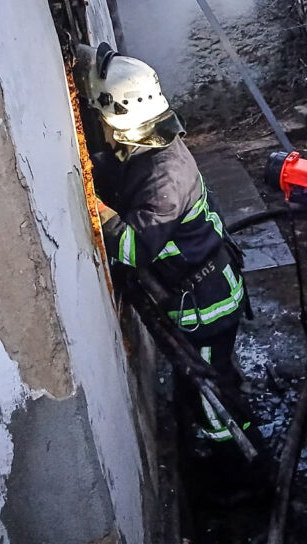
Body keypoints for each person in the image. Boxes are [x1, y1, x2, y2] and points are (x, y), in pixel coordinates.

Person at [77, 42, 249, 456]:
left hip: (207, 304)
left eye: (100, 117)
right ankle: (222, 436)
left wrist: (92, 204)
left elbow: (134, 248)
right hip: (207, 287)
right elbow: (123, 175)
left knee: (209, 389)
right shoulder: (152, 145)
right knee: (212, 375)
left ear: (119, 119)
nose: (99, 125)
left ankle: (234, 465)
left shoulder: (164, 179)